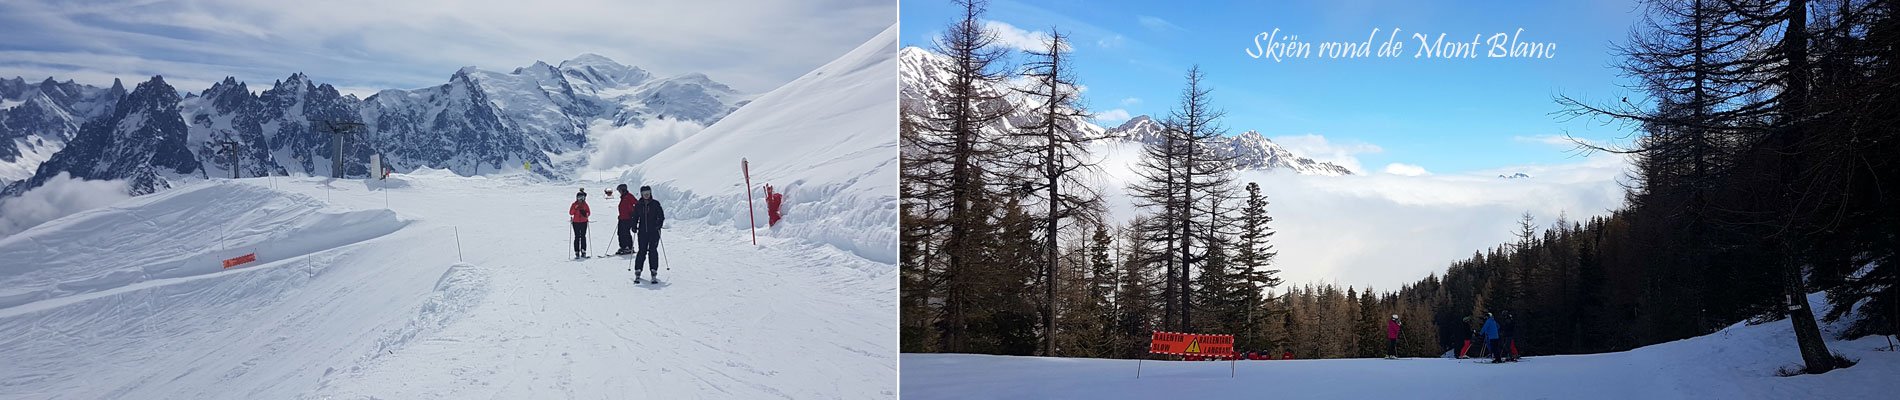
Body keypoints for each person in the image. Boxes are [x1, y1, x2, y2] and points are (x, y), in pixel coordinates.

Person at [632, 185, 666, 282]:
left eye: (648, 193)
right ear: (642, 194)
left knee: (653, 250)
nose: (646, 195)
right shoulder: (638, 205)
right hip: (642, 232)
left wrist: (659, 224)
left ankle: (653, 270)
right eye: (644, 193)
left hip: (653, 232)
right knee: (642, 251)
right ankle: (638, 270)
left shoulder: (655, 204)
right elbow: (635, 216)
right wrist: (633, 225)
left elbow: (661, 216)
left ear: (650, 193)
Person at [614, 184, 637, 255]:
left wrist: (633, 213)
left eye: (620, 191)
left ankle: (629, 247)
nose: (619, 192)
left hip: (628, 218)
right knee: (620, 233)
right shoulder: (623, 197)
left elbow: (637, 204)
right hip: (622, 218)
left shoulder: (629, 196)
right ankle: (623, 247)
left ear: (623, 190)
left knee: (626, 233)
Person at [569, 189, 591, 259]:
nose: (580, 199)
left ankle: (583, 250)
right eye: (579, 198)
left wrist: (586, 214)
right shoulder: (574, 204)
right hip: (576, 222)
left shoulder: (585, 204)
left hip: (584, 222)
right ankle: (577, 251)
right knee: (577, 237)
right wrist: (575, 208)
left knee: (583, 236)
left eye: (581, 198)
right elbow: (571, 213)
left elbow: (589, 212)